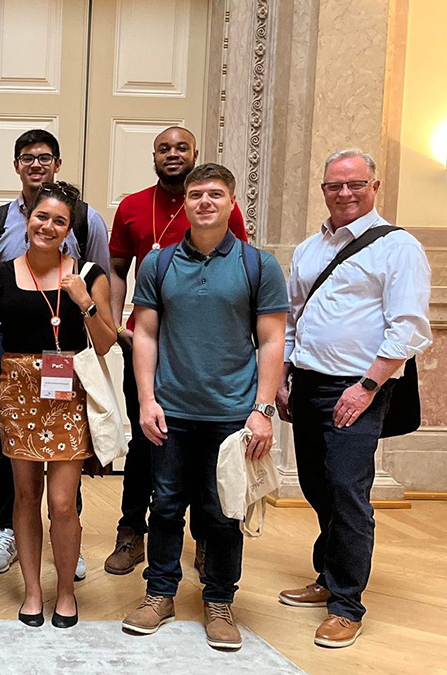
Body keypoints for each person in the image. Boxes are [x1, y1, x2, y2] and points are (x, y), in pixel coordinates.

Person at [121, 163, 287, 651]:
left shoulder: (260, 265)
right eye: (196, 195)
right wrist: (147, 400)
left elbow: (272, 340)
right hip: (171, 411)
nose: (205, 202)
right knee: (166, 505)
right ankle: (159, 594)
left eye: (215, 194)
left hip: (233, 415)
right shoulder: (159, 264)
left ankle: (219, 601)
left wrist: (263, 410)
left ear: (232, 202)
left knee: (221, 513)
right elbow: (145, 333)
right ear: (185, 204)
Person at [276, 149, 431, 649]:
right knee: (317, 486)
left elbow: (408, 328)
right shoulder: (308, 249)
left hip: (360, 387)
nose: (344, 193)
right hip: (308, 382)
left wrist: (366, 387)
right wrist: (283, 374)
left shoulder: (398, 248)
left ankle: (347, 604)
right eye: (334, 185)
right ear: (322, 189)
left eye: (355, 184)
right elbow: (295, 319)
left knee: (347, 490)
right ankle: (328, 575)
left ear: (375, 186)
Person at [104, 125, 249, 577]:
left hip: (203, 347)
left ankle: (206, 540)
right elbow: (115, 268)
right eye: (164, 148)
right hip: (146, 342)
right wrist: (114, 325)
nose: (172, 154)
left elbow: (238, 269)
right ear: (153, 156)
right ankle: (132, 531)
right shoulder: (131, 207)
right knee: (146, 441)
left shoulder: (218, 208)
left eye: (181, 147)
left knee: (209, 448)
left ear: (194, 153)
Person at [0, 182, 117, 629]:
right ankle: (33, 590)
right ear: (28, 219)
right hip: (17, 394)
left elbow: (108, 342)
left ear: (69, 229)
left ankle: (66, 592)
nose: (48, 227)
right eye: (41, 217)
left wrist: (84, 303)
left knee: (62, 502)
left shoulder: (90, 275)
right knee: (25, 494)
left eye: (59, 221)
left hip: (68, 395)